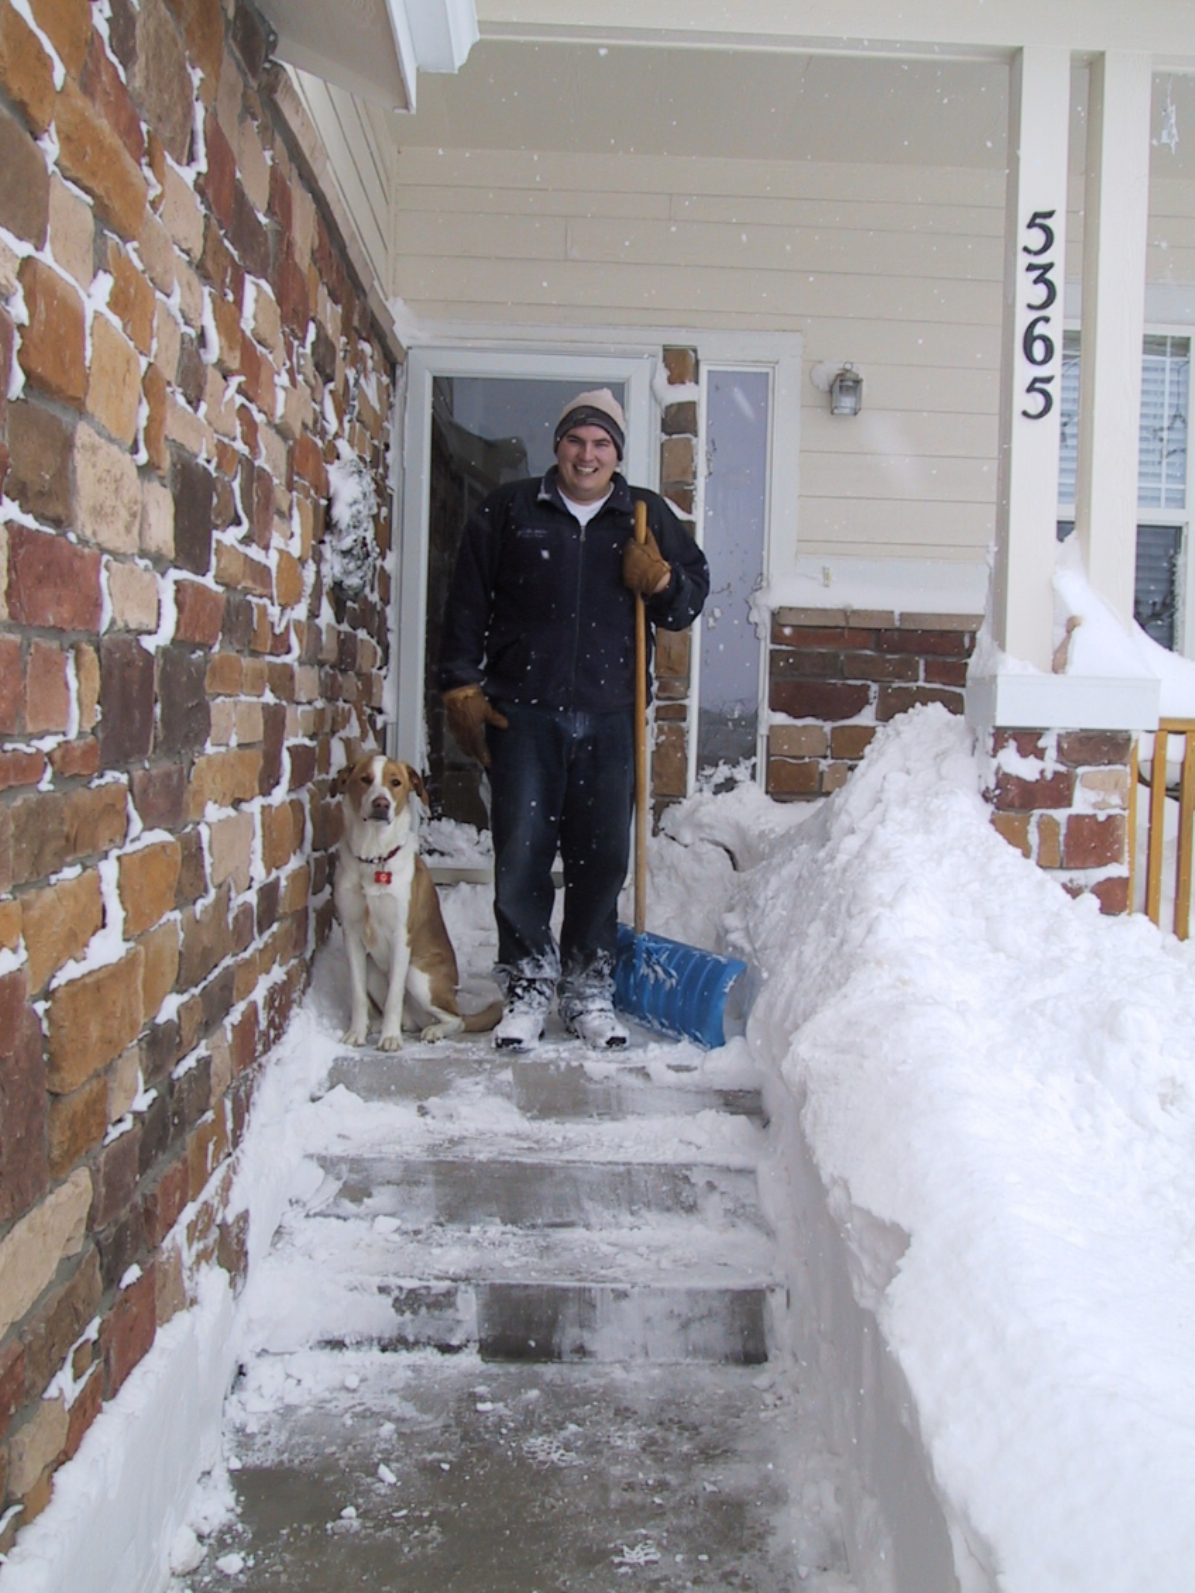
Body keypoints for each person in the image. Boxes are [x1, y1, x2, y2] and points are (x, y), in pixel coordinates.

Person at [438, 389, 710, 1052]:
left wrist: (662, 581)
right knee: (523, 851)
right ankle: (529, 984)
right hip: (523, 713)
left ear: (616, 454)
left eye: (601, 444)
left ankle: (587, 987)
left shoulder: (642, 514)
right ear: (557, 445)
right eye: (575, 441)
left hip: (610, 713)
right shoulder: (508, 511)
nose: (586, 455)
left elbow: (688, 599)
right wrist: (459, 688)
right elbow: (465, 602)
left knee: (600, 857)